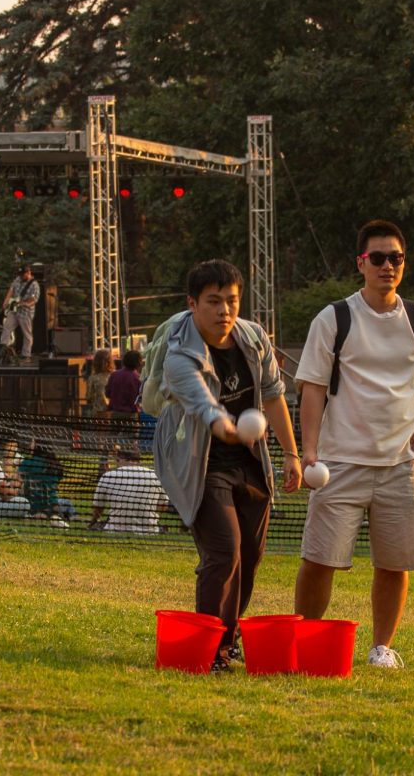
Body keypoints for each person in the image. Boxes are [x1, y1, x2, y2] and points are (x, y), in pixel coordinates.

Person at [292, 220, 414, 670]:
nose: (387, 266)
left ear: (403, 265)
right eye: (377, 258)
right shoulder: (334, 318)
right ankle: (304, 639)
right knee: (320, 559)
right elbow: (313, 388)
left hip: (403, 462)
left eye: (395, 258)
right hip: (339, 461)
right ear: (361, 264)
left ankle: (381, 648)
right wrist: (309, 451)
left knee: (395, 563)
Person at [152, 259, 302, 673]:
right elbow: (206, 409)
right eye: (214, 302)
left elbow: (272, 394)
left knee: (250, 555)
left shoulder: (252, 339)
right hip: (199, 461)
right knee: (224, 552)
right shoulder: (179, 356)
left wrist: (291, 453)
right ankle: (209, 651)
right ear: (193, 304)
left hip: (251, 461)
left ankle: (228, 637)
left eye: (232, 301)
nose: (224, 311)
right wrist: (228, 425)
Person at [89, 446, 169, 534]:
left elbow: (98, 508)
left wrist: (93, 522)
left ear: (119, 459)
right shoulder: (155, 476)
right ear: (139, 460)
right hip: (149, 530)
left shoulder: (108, 476)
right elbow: (163, 506)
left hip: (115, 529)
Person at [19, 444, 74, 527]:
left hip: (33, 507)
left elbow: (17, 482)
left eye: (32, 443)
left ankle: (44, 515)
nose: (30, 446)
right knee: (67, 503)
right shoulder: (55, 464)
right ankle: (71, 517)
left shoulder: (26, 463)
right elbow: (55, 485)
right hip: (53, 505)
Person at [0, 263, 41, 363]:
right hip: (14, 310)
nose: (21, 276)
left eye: (23, 274)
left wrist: (22, 303)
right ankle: (3, 348)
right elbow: (11, 289)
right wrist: (6, 301)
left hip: (25, 312)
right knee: (7, 327)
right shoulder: (18, 279)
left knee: (27, 334)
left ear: (28, 273)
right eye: (20, 274)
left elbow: (33, 300)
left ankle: (26, 355)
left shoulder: (34, 285)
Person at [106, 350, 143, 418]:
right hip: (131, 415)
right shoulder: (138, 378)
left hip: (115, 413)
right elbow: (140, 399)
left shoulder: (114, 375)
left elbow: (107, 393)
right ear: (138, 363)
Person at [84, 348, 113, 416]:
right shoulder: (115, 376)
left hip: (98, 411)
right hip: (112, 411)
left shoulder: (93, 378)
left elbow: (89, 396)